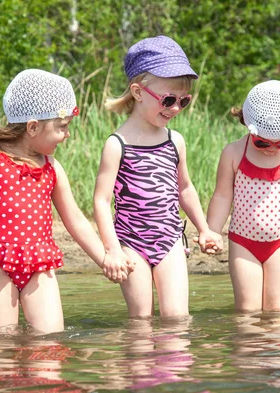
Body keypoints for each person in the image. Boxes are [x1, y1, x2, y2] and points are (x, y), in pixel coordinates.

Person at [0, 69, 134, 334]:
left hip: (40, 265)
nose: (67, 135)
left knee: (49, 345)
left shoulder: (52, 168)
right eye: (62, 127)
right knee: (3, 348)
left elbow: (76, 221)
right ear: (33, 126)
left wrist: (105, 259)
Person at [93, 36, 223, 319]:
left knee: (177, 318)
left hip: (169, 240)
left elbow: (185, 189)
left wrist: (204, 229)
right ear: (138, 92)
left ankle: (172, 364)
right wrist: (112, 249)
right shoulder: (118, 144)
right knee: (141, 319)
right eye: (167, 99)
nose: (175, 108)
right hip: (130, 243)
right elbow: (101, 201)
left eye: (183, 101)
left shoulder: (175, 141)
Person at [206, 80, 280, 313]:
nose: (273, 148)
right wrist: (212, 231)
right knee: (248, 311)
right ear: (247, 124)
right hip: (244, 243)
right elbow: (222, 196)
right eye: (262, 142)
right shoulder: (233, 153)